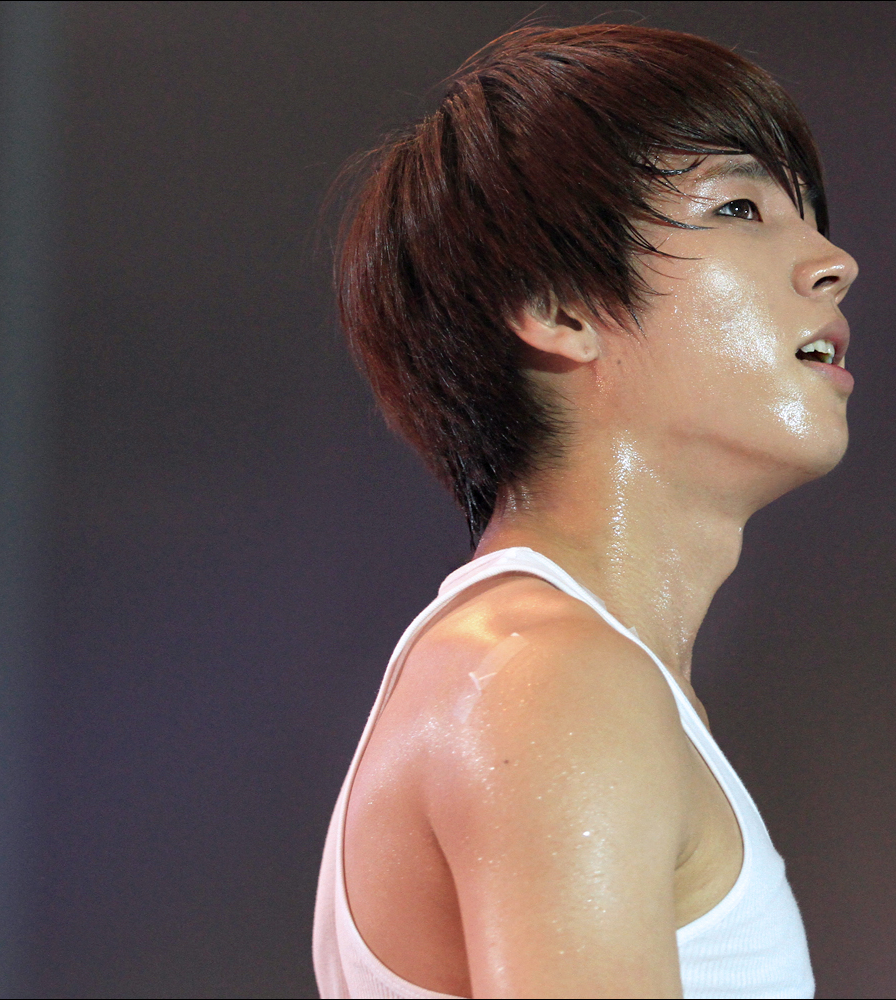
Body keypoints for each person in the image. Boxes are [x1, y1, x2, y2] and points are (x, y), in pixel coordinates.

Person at [314, 23, 858, 999]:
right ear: (558, 304)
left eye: (810, 215)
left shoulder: (563, 673)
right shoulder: (552, 679)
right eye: (739, 207)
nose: (832, 261)